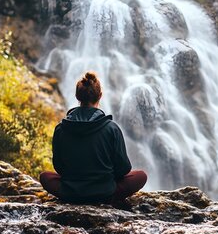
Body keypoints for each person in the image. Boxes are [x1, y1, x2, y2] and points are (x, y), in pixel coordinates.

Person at [39, 71, 147, 206]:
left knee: (45, 177)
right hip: (105, 193)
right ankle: (108, 198)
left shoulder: (61, 129)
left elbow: (59, 167)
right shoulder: (111, 128)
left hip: (71, 192)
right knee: (140, 176)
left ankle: (76, 195)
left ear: (77, 97)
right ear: (100, 96)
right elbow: (123, 168)